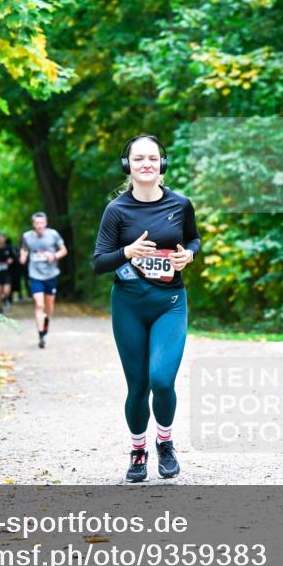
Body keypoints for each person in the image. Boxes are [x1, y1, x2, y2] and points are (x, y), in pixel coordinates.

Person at [93, 135, 201, 483]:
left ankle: (165, 442)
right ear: (128, 165)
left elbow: (194, 238)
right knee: (138, 385)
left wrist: (190, 254)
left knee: (161, 379)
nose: (146, 165)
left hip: (169, 303)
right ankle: (138, 450)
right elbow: (99, 262)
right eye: (138, 159)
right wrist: (127, 252)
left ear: (162, 164)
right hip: (129, 305)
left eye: (152, 158)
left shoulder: (181, 203)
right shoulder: (117, 211)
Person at [19, 213, 68, 348]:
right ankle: (41, 334)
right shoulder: (27, 236)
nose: (39, 226)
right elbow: (24, 249)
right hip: (35, 274)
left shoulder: (53, 235)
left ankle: (46, 322)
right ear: (33, 224)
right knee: (39, 305)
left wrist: (54, 256)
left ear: (45, 223)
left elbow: (64, 250)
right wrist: (23, 256)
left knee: (49, 306)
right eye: (37, 223)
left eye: (42, 223)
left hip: (51, 274)